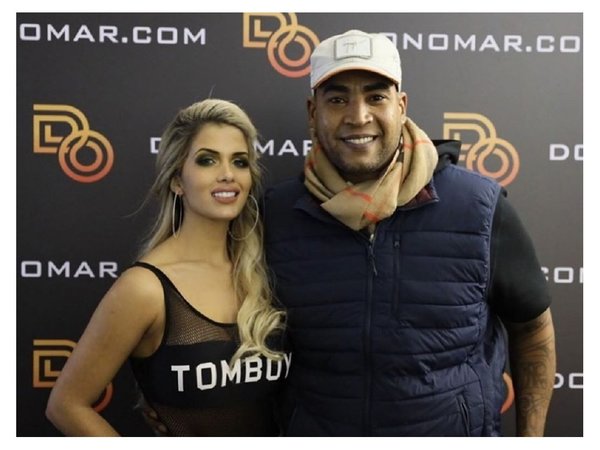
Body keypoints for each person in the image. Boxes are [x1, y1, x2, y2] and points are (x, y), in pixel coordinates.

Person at [262, 29, 556, 436]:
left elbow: (533, 332)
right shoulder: (277, 212)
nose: (358, 116)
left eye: (376, 97)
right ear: (313, 113)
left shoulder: (479, 207)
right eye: (337, 99)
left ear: (401, 107)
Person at [45, 99, 290, 436]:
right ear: (177, 179)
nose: (227, 174)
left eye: (239, 161)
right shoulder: (145, 288)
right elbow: (66, 405)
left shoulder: (267, 268)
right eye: (207, 160)